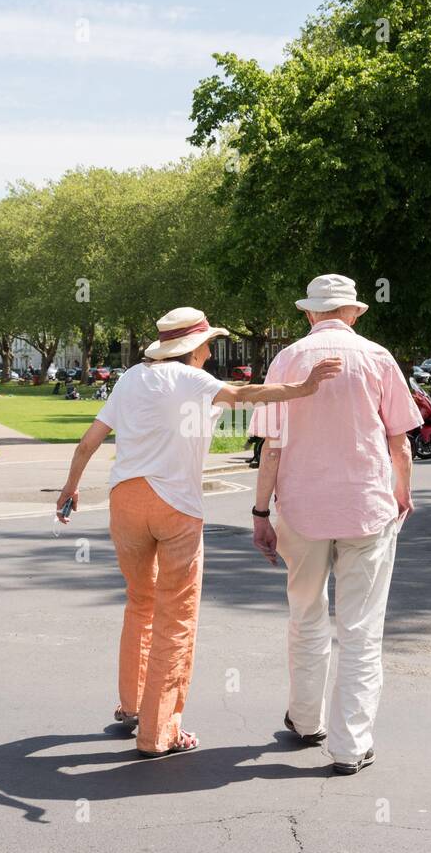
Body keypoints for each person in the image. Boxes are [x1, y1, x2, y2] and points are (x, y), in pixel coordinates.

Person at [55, 305, 341, 758]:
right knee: (176, 617)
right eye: (207, 344)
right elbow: (249, 394)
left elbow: (89, 442)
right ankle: (158, 734)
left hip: (125, 501)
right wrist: (305, 388)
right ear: (191, 349)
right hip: (175, 507)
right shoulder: (194, 380)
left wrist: (70, 489)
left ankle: (130, 705)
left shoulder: (129, 378)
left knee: (139, 602)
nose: (210, 351)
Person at [249, 274, 422, 776]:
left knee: (305, 614)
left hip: (301, 510)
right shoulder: (378, 357)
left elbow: (271, 447)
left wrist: (261, 513)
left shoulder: (286, 360)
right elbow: (400, 443)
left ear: (309, 314)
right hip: (366, 508)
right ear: (353, 312)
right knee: (361, 628)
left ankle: (306, 721)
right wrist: (402, 491)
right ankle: (350, 745)